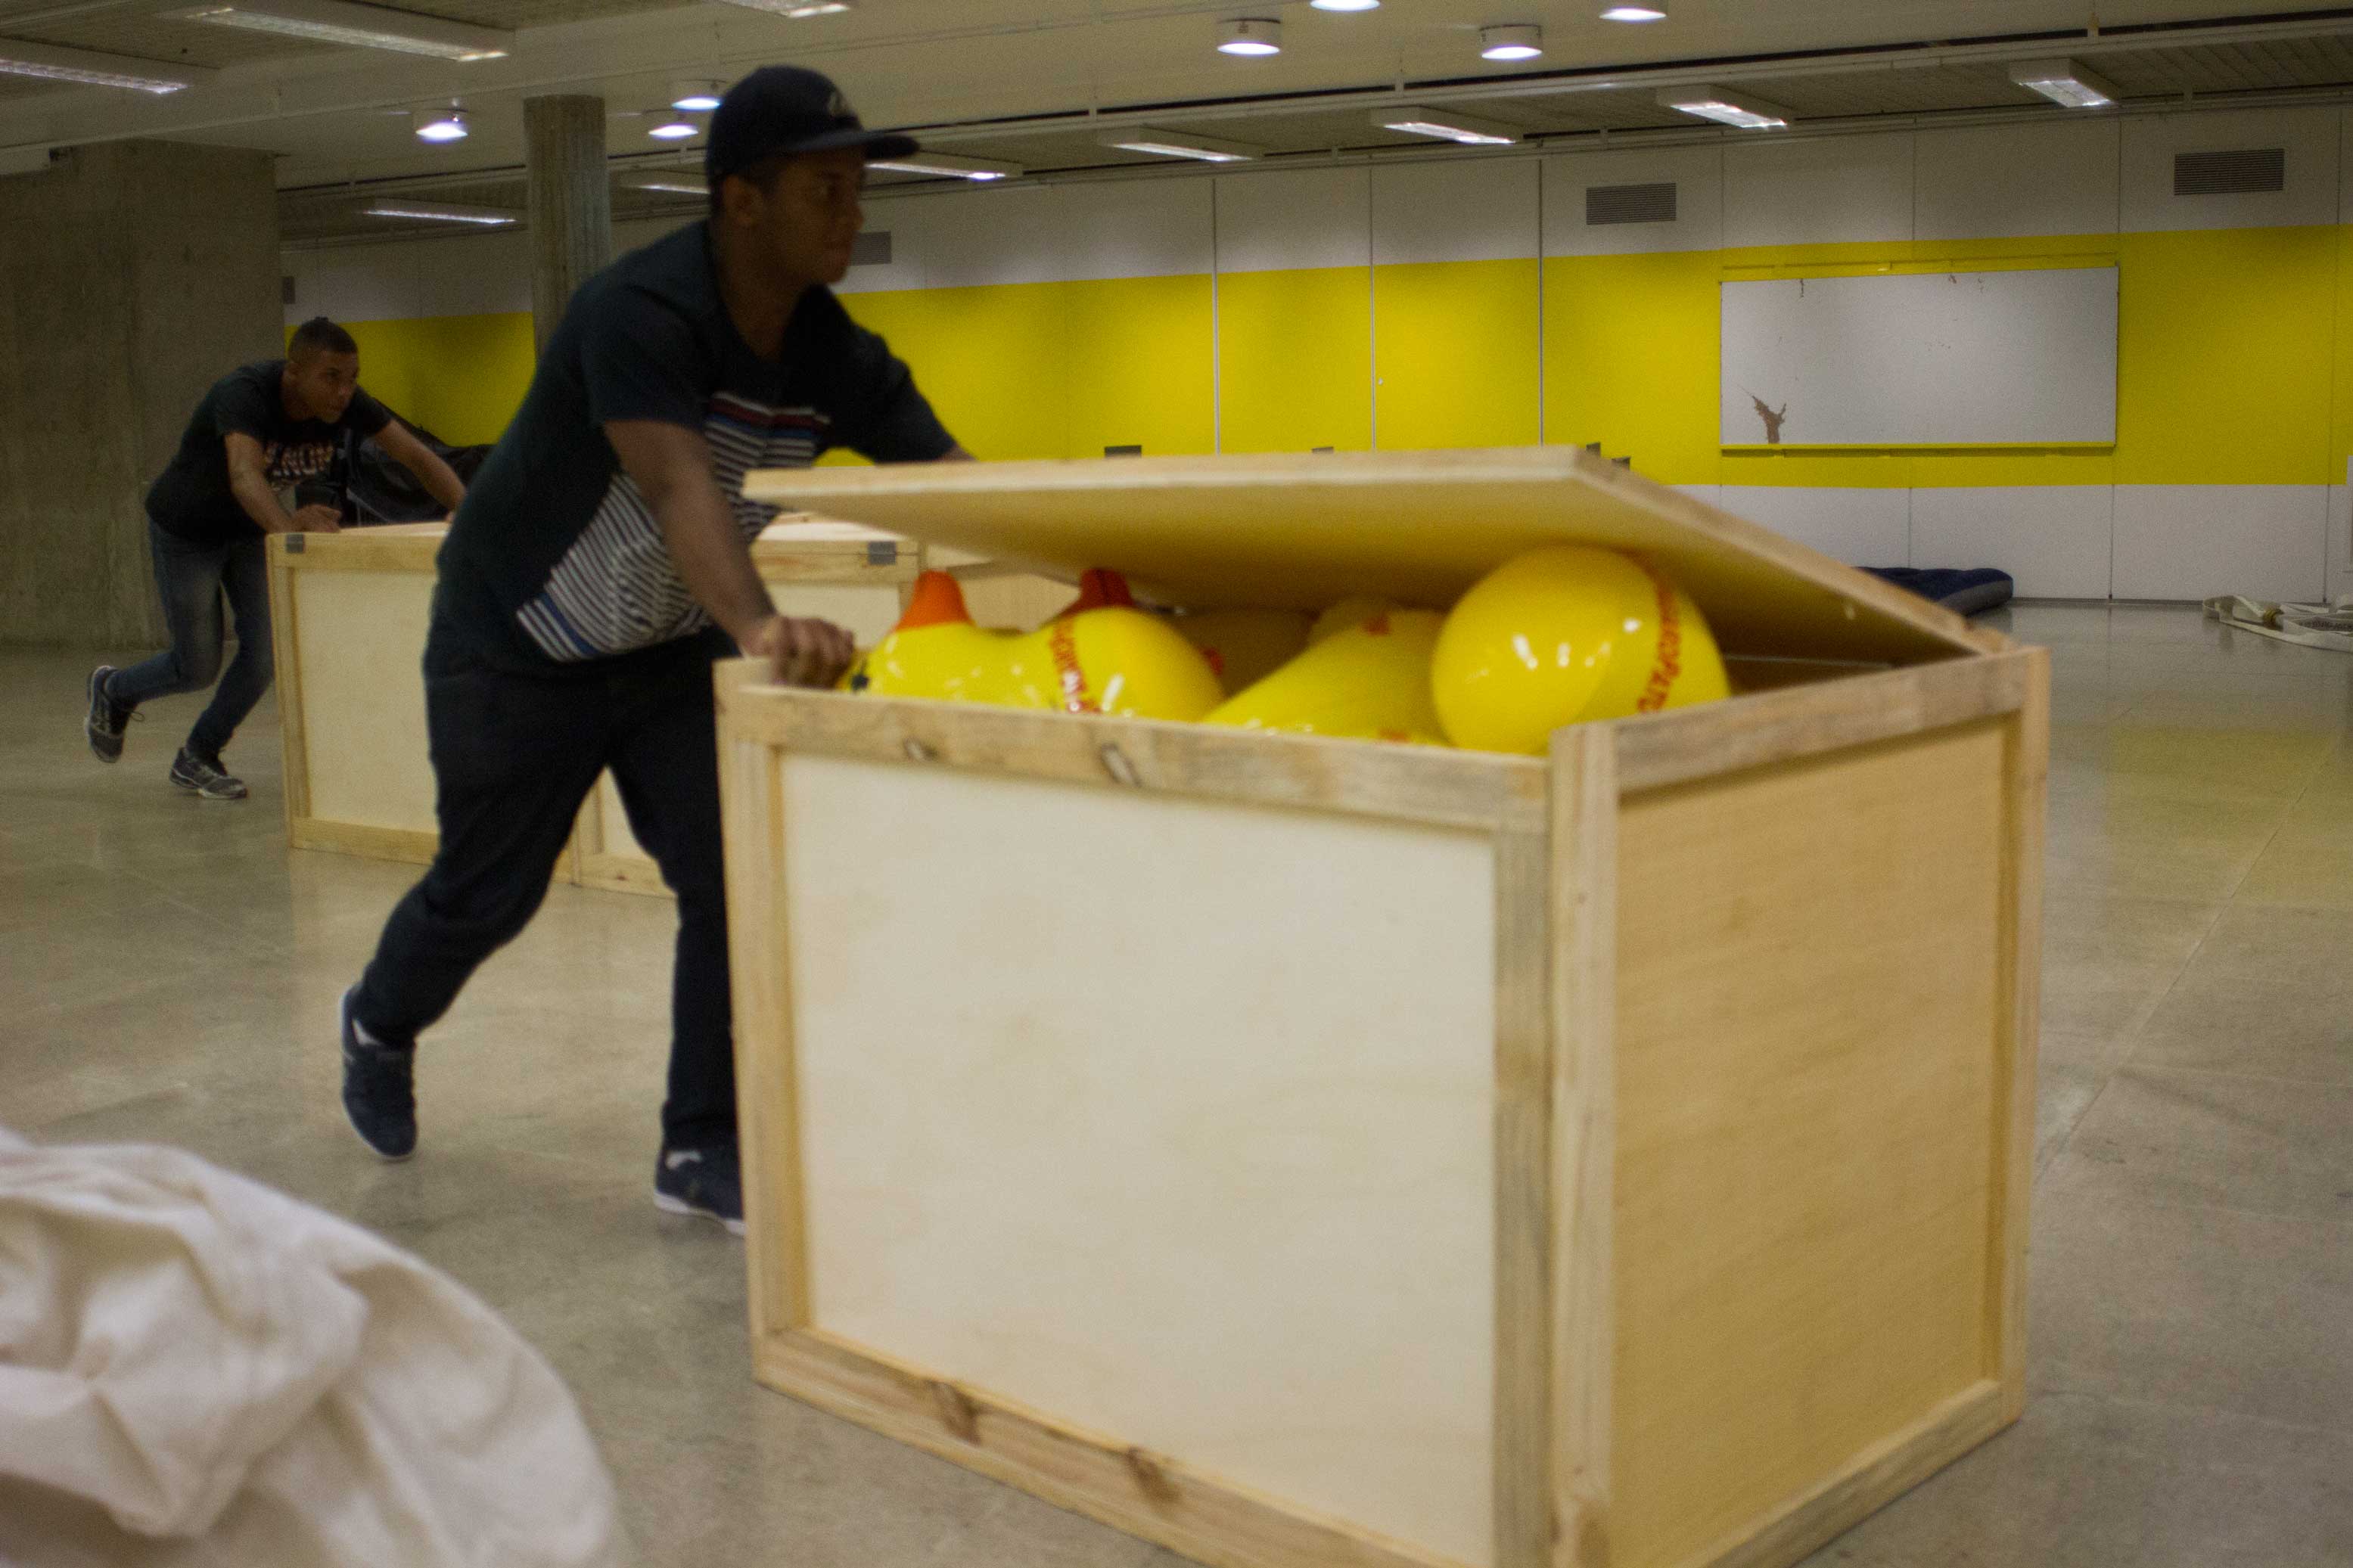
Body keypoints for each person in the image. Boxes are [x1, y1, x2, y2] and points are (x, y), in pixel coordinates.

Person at [335, 66, 967, 1234]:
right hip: (515, 646)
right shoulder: (638, 311)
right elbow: (678, 485)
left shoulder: (832, 351)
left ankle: (699, 1144)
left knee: (727, 879)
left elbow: (957, 484)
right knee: (487, 896)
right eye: (823, 187)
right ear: (740, 199)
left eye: (857, 187)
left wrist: (1114, 557)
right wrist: (763, 626)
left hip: (667, 652)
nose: (850, 211)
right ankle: (378, 1019)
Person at [82, 319, 468, 800]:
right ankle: (114, 691)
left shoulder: (346, 404)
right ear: (294, 372)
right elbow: (244, 475)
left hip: (249, 531)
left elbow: (416, 456)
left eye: (352, 377)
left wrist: (469, 511)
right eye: (331, 377)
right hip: (187, 532)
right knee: (197, 666)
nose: (344, 391)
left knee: (264, 656)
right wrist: (289, 534)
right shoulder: (244, 394)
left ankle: (199, 754)